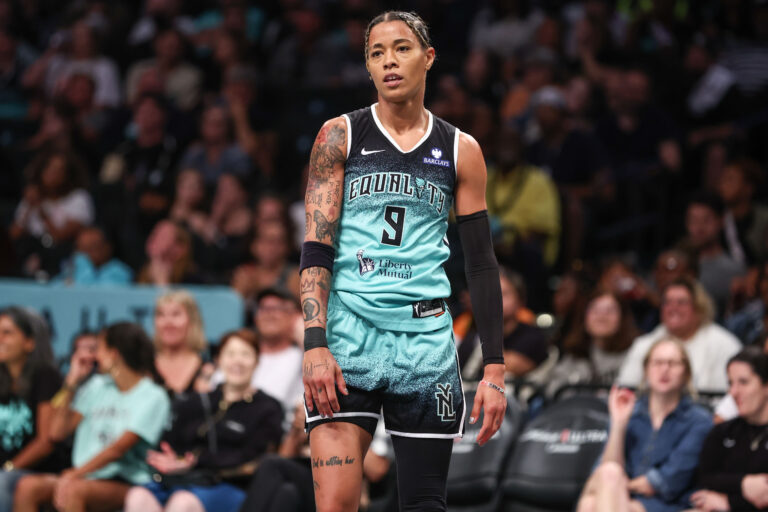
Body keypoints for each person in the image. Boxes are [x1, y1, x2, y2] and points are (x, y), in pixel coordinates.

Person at [299, 11, 506, 512]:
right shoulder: (338, 135)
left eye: (402, 48)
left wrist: (494, 369)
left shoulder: (461, 149)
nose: (389, 61)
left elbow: (481, 263)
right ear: (368, 67)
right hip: (348, 333)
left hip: (424, 340)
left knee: (424, 505)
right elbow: (317, 246)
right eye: (377, 53)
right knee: (337, 503)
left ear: (428, 58)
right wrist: (314, 343)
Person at [13, 322, 170, 512]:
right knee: (27, 487)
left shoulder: (153, 395)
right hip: (84, 477)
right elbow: (57, 433)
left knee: (74, 490)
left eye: (99, 349)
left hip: (127, 481)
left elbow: (118, 449)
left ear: (114, 354)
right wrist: (71, 382)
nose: (94, 356)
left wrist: (74, 474)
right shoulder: (97, 386)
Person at [123, 329, 283, 512]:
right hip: (181, 479)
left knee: (182, 503)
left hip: (229, 484)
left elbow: (254, 458)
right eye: (230, 354)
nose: (237, 361)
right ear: (218, 359)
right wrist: (173, 458)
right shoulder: (197, 401)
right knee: (138, 496)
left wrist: (196, 461)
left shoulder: (267, 408)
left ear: (257, 361)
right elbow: (173, 440)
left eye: (245, 354)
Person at [576, 338, 713, 512]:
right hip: (622, 498)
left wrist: (618, 485)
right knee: (607, 476)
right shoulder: (630, 411)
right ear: (646, 370)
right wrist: (619, 424)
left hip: (666, 504)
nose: (664, 369)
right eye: (658, 363)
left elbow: (666, 482)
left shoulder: (699, 421)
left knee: (592, 503)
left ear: (686, 373)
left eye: (673, 363)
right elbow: (606, 469)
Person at [617, 277, 741, 392]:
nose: (673, 308)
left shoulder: (724, 345)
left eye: (681, 302)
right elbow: (625, 390)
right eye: (667, 302)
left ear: (698, 308)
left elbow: (726, 396)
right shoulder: (644, 345)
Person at [0, 307, 63, 511]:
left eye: (7, 333)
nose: (0, 339)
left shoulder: (46, 376)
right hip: (6, 470)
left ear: (29, 342)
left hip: (37, 470)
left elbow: (45, 442)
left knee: (2, 482)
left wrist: (9, 468)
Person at [691, 347, 768, 511]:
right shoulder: (723, 431)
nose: (733, 392)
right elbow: (705, 477)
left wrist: (730, 503)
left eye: (743, 382)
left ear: (766, 386)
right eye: (730, 383)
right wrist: (743, 483)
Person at [549, 291, 638, 396]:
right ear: (584, 318)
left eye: (610, 311)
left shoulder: (636, 355)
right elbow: (553, 392)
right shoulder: (572, 357)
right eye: (595, 311)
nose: (602, 317)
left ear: (623, 318)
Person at [153, 290, 207, 396]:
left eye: (176, 314)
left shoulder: (208, 369)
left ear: (192, 321)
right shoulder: (143, 368)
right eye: (161, 315)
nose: (167, 322)